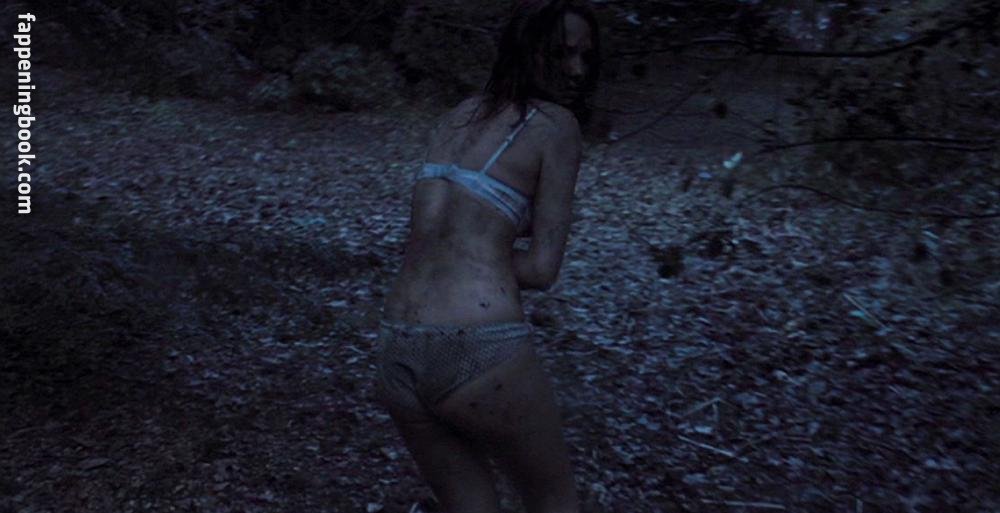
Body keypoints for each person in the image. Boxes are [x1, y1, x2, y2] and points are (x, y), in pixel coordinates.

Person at [374, 1, 600, 512]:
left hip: (396, 347)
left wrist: (473, 255)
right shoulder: (556, 125)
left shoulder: (456, 117)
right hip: (478, 347)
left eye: (585, 56)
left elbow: (431, 242)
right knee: (554, 501)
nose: (576, 70)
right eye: (561, 53)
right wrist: (487, 261)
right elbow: (541, 269)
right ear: (525, 49)